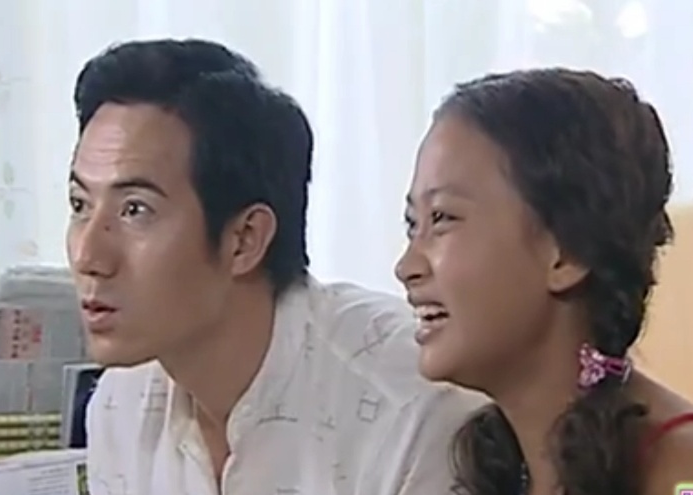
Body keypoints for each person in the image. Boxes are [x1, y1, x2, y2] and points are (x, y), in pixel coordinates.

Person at [66, 38, 485, 495]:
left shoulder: (410, 414)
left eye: (135, 210)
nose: (88, 256)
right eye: (79, 204)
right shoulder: (120, 405)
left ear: (245, 239)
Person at [396, 68, 693, 495]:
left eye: (442, 218)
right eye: (412, 225)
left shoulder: (679, 471)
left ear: (568, 253)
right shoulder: (498, 467)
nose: (406, 266)